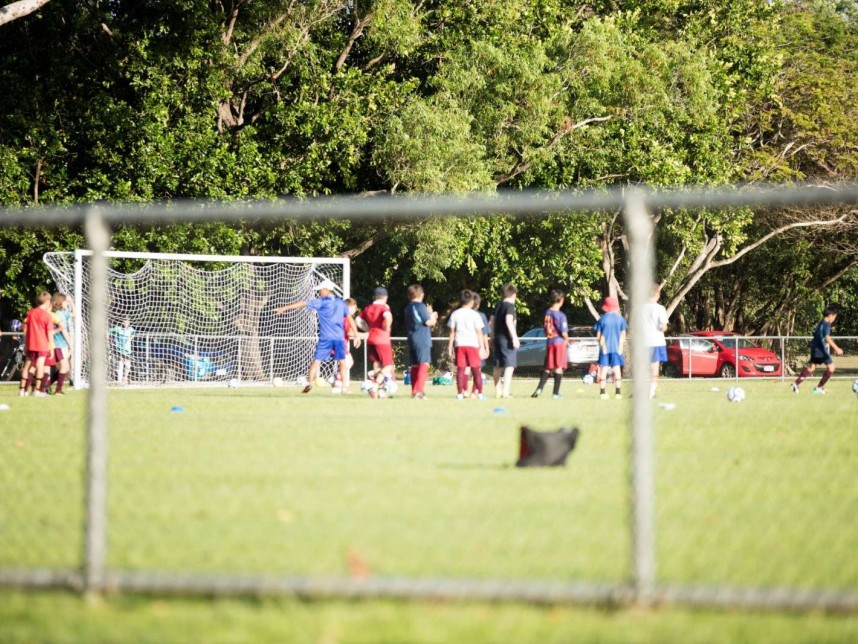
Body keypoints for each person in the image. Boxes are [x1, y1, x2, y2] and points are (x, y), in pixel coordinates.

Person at [275, 279, 349, 394]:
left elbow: (302, 303)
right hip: (339, 337)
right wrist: (357, 334)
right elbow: (349, 318)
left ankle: (309, 383)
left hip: (326, 337)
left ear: (326, 290)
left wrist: (284, 308)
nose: (319, 293)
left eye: (320, 290)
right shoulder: (340, 302)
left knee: (316, 361)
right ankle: (345, 387)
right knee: (343, 362)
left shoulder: (322, 302)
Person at [791, 305, 844, 395]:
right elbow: (827, 337)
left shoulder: (821, 323)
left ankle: (796, 384)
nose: (834, 319)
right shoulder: (826, 324)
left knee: (811, 368)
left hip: (815, 348)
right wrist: (837, 348)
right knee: (831, 367)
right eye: (835, 316)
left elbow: (819, 336)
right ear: (831, 315)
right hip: (820, 349)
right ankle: (818, 388)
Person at [447, 289, 487, 400]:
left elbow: (452, 332)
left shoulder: (455, 314)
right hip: (472, 344)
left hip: (460, 344)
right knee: (476, 370)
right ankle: (480, 394)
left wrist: (450, 347)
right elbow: (479, 332)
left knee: (460, 369)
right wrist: (482, 347)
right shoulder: (475, 315)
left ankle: (460, 393)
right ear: (471, 302)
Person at [531, 289, 569, 399]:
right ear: (561, 300)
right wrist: (567, 340)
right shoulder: (561, 315)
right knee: (558, 367)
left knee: (547, 367)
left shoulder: (547, 313)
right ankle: (555, 393)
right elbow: (564, 332)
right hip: (558, 342)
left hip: (550, 342)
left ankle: (539, 389)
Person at [404, 284, 438, 399]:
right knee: (424, 364)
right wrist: (433, 317)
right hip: (422, 338)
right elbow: (428, 322)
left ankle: (414, 391)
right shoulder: (420, 306)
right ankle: (419, 390)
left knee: (414, 365)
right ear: (422, 294)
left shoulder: (407, 308)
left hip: (411, 338)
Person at [18, 291, 55, 397]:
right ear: (48, 302)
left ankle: (22, 390)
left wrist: (25, 344)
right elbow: (50, 335)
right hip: (42, 345)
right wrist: (51, 349)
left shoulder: (30, 313)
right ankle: (37, 391)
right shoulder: (47, 316)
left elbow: (26, 330)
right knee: (40, 366)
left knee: (27, 367)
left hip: (31, 343)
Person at [360, 287, 395, 391]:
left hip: (371, 339)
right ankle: (375, 384)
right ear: (385, 297)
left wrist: (367, 329)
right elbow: (387, 316)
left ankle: (378, 390)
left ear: (373, 297)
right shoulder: (384, 307)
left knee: (377, 365)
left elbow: (358, 320)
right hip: (382, 339)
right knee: (388, 365)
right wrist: (386, 327)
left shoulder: (368, 308)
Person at [594, 295, 628, 400]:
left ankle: (602, 393)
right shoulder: (620, 319)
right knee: (617, 369)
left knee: (603, 369)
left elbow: (598, 336)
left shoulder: (602, 320)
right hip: (617, 348)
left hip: (604, 348)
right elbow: (624, 335)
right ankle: (618, 393)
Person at [490, 284, 520, 398]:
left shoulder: (498, 306)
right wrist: (514, 337)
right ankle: (505, 391)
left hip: (497, 338)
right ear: (514, 295)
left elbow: (491, 322)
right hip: (506, 339)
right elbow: (509, 321)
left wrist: (492, 337)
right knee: (509, 365)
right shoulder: (510, 306)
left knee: (497, 365)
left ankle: (498, 391)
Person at [643, 285, 669, 399]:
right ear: (657, 294)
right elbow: (664, 327)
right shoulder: (660, 308)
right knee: (654, 369)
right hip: (656, 341)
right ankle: (651, 393)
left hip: (643, 342)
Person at [49, 293, 73, 395]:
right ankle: (57, 390)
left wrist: (71, 301)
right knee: (64, 367)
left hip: (63, 344)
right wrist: (70, 343)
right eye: (64, 301)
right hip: (59, 343)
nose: (66, 303)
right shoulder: (58, 314)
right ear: (60, 302)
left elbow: (75, 313)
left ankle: (46, 384)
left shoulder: (63, 312)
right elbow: (63, 330)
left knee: (66, 368)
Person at [109, 317, 136, 386]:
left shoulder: (131, 329)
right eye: (125, 321)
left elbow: (133, 334)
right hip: (119, 350)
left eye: (128, 321)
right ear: (122, 322)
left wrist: (131, 338)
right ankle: (119, 380)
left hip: (127, 350)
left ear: (129, 322)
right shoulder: (118, 329)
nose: (126, 323)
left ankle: (125, 378)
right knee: (120, 365)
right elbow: (108, 330)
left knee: (128, 366)